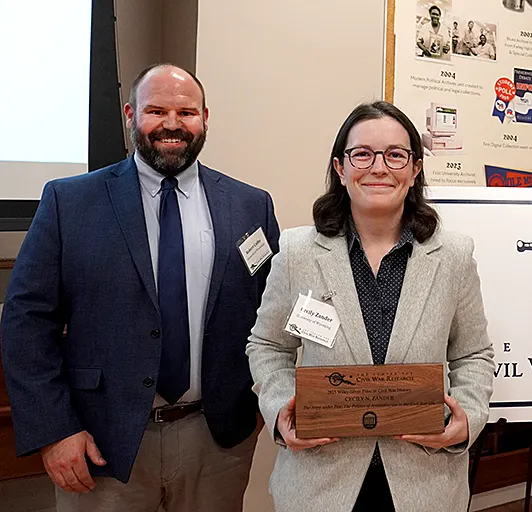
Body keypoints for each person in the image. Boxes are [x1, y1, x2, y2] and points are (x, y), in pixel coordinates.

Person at [0, 63, 279, 512]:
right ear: (131, 115)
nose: (172, 124)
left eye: (186, 112)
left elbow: (270, 316)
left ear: (206, 117)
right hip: (100, 439)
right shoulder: (69, 202)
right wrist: (53, 429)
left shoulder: (251, 205)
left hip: (216, 440)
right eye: (156, 111)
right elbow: (26, 321)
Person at [246, 101, 494, 511]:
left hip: (424, 477)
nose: (379, 167)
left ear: (415, 169)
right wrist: (279, 409)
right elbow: (268, 346)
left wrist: (468, 416)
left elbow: (473, 353)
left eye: (396, 155)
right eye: (362, 154)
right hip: (321, 478)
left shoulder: (453, 255)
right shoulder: (296, 252)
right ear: (341, 169)